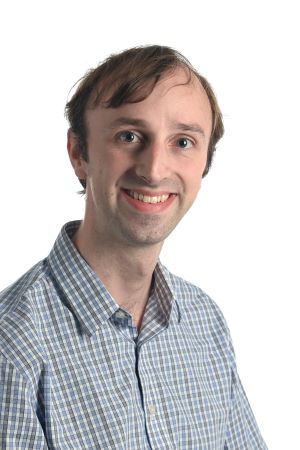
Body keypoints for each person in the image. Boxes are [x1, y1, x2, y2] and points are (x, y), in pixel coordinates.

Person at [0, 45, 267, 449]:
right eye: (129, 136)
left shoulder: (204, 324)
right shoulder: (13, 346)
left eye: (183, 142)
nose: (154, 169)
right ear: (79, 153)